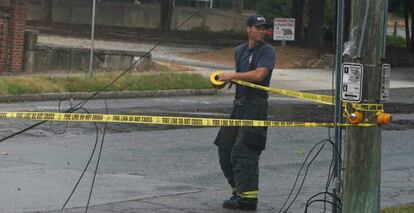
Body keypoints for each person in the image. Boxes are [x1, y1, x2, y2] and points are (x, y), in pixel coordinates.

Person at [213, 15, 276, 211]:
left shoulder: (267, 51)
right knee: (225, 147)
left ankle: (248, 200)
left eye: (264, 28)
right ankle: (238, 192)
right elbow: (241, 76)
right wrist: (224, 79)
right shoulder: (239, 50)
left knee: (244, 151)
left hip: (256, 107)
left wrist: (233, 75)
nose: (262, 31)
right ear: (248, 29)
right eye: (258, 27)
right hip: (239, 106)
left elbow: (259, 75)